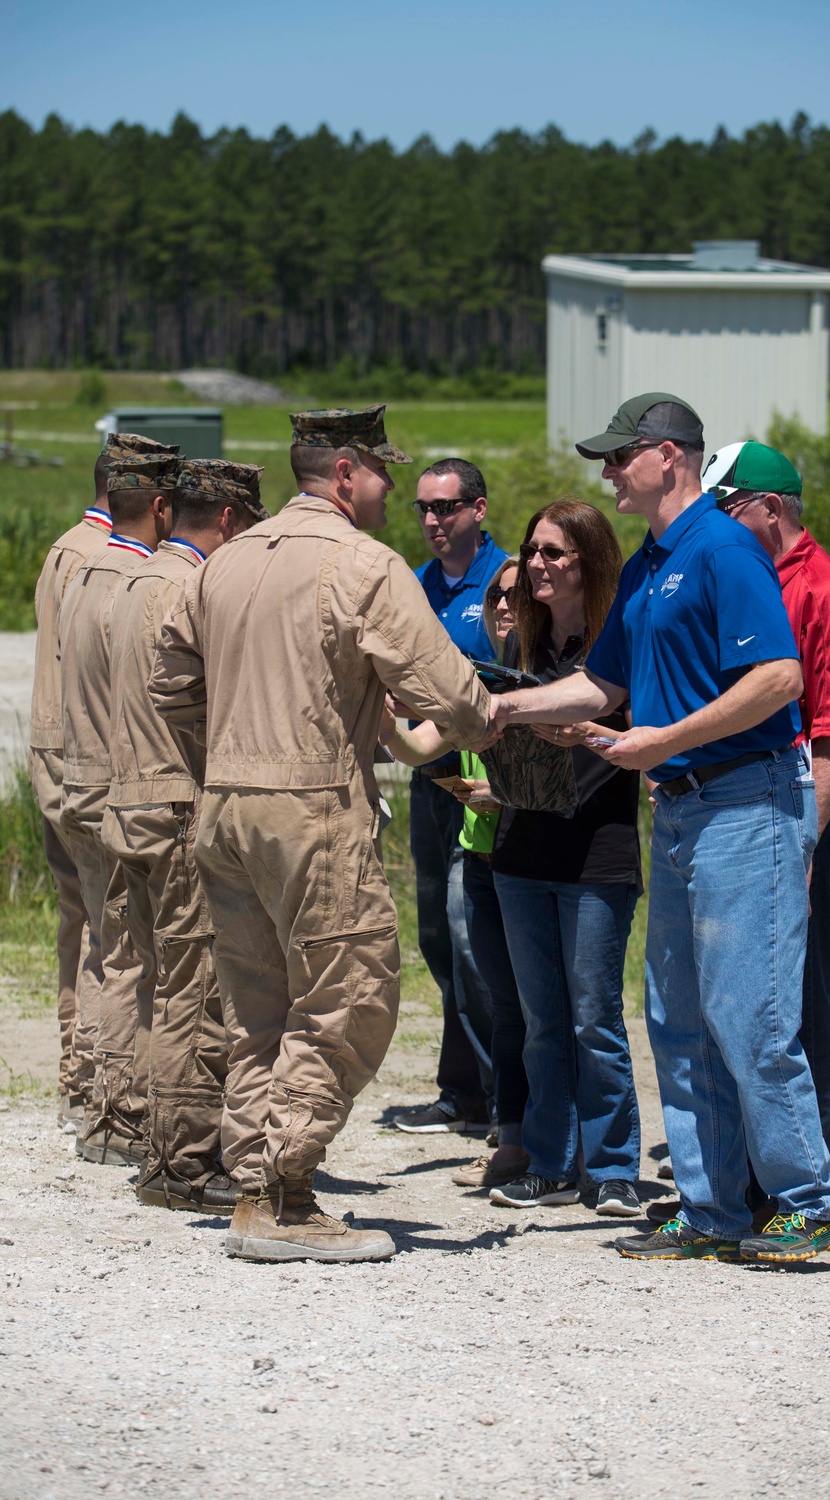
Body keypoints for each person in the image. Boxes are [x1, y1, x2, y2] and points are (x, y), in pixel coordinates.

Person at [485, 393, 830, 1266]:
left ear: (669, 457)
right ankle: (710, 1205)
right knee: (677, 1018)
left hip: (747, 802)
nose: (607, 472)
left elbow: (777, 679)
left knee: (749, 1016)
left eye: (620, 456)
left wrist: (664, 742)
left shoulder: (724, 547)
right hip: (685, 810)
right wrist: (499, 705)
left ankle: (811, 1200)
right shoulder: (651, 565)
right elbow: (600, 686)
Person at [149, 405, 491, 1265]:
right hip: (308, 808)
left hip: (224, 808)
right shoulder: (362, 564)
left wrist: (229, 738)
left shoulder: (224, 564)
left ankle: (254, 1191)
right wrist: (489, 720)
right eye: (382, 474)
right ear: (345, 472)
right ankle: (289, 1192)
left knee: (259, 1009)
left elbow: (167, 678)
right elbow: (449, 694)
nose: (390, 492)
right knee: (351, 991)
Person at [102, 459, 268, 1212]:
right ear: (231, 520)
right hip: (174, 802)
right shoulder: (190, 586)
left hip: (128, 797)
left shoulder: (131, 578)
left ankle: (158, 1145)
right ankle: (185, 1163)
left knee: (156, 982)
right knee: (193, 992)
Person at [702, 440, 830, 1155]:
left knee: (794, 1007)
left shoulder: (826, 591)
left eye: (727, 507)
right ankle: (746, 1170)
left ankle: (802, 1174)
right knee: (740, 1002)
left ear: (771, 508)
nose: (715, 524)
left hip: (808, 821)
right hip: (747, 814)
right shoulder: (751, 578)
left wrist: (803, 844)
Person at [483, 499, 644, 1218]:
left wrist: (589, 731)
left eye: (555, 554)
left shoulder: (620, 645)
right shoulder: (526, 648)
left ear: (590, 561)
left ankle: (612, 1166)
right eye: (534, 552)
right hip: (521, 847)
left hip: (596, 854)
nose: (538, 566)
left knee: (593, 1018)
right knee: (542, 1018)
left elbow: (654, 737)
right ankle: (549, 1160)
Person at [381, 558, 531, 1189]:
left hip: (531, 862)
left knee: (546, 1007)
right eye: (495, 597)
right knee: (486, 984)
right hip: (479, 854)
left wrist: (506, 795)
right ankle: (508, 1124)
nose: (501, 607)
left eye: (514, 598)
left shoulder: (543, 682)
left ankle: (570, 1146)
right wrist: (377, 709)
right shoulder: (477, 684)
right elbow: (418, 747)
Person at [60, 437, 178, 1167]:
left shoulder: (84, 566)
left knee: (111, 951)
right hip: (122, 788)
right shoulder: (134, 578)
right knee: (135, 957)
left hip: (84, 779)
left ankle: (103, 1104)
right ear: (161, 506)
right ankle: (124, 1113)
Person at [396, 458, 509, 1137]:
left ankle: (507, 1102)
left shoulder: (505, 581)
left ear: (479, 509)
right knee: (438, 935)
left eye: (448, 508)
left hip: (489, 785)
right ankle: (461, 1089)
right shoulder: (413, 586)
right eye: (425, 510)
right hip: (430, 777)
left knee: (479, 944)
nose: (435, 522)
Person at [29, 453, 118, 1131]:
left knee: (77, 918)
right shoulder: (100, 556)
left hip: (52, 752)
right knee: (105, 921)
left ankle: (74, 1068)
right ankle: (93, 1080)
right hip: (86, 757)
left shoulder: (66, 546)